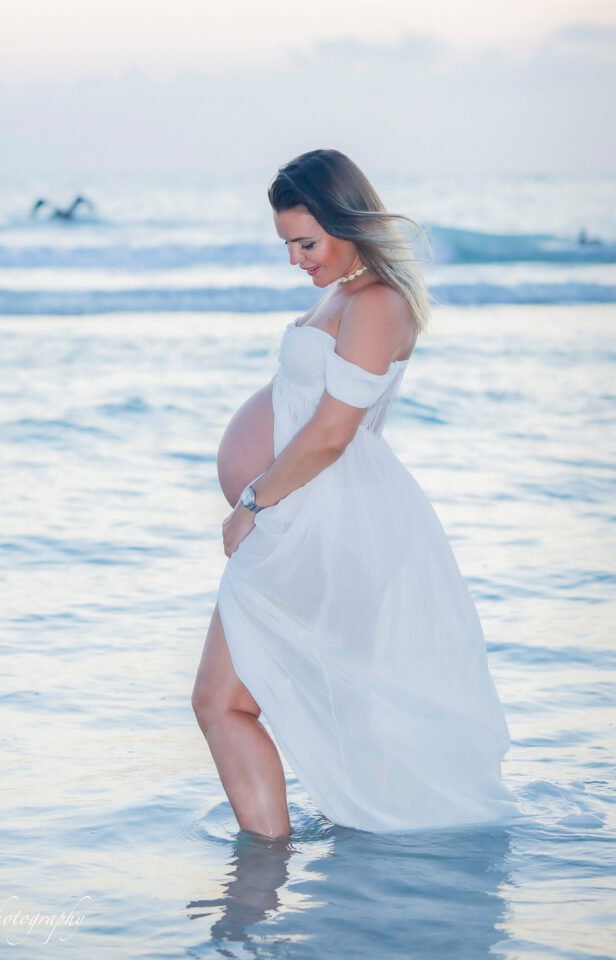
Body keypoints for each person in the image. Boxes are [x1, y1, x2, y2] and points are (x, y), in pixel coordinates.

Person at [192, 148, 525, 840]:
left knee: (224, 702)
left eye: (306, 243)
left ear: (345, 221)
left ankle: (266, 864)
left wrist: (251, 504)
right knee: (244, 700)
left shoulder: (377, 302)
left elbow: (331, 433)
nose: (295, 260)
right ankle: (291, 846)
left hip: (312, 521)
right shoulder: (344, 292)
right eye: (287, 245)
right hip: (301, 520)